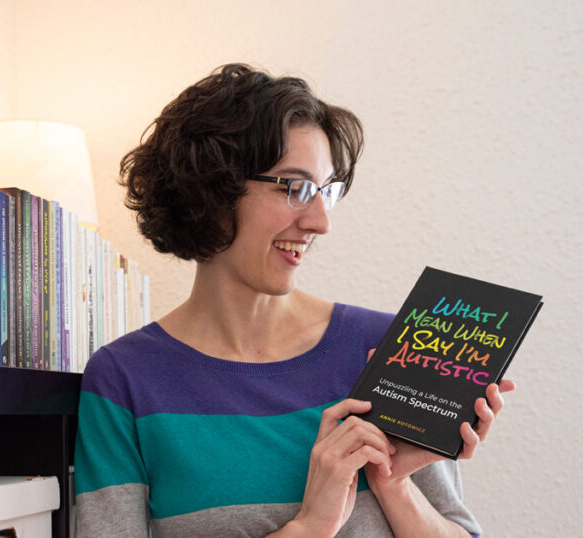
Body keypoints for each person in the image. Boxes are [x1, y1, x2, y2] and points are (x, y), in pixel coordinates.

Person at [73, 64, 513, 537]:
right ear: (212, 191)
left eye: (326, 192)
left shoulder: (384, 345)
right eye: (297, 188)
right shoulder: (125, 380)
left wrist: (392, 482)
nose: (321, 222)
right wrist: (310, 526)